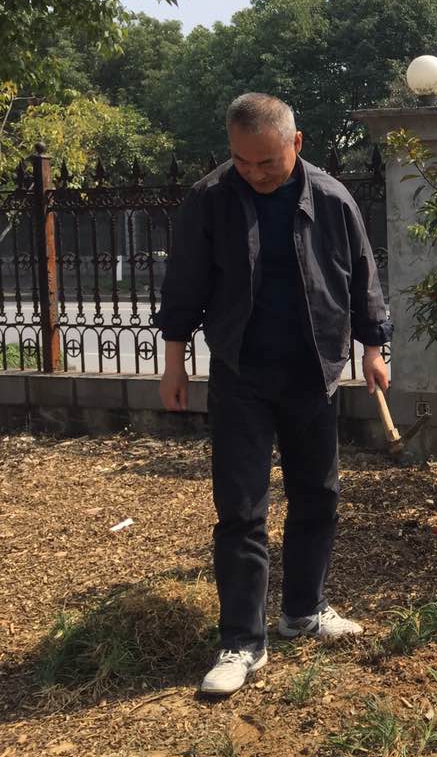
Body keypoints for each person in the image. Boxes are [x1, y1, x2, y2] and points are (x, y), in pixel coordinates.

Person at [157, 93, 391, 695]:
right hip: (242, 374)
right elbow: (184, 283)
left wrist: (373, 348)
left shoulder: (332, 198)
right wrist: (175, 364)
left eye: (267, 161)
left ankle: (304, 611)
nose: (254, 173)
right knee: (241, 508)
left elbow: (361, 277)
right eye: (242, 161)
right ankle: (241, 641)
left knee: (317, 494)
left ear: (297, 143)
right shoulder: (210, 200)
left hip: (313, 370)